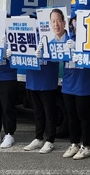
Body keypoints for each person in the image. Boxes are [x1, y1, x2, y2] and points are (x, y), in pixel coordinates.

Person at [23, 9, 63, 154]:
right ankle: (38, 137)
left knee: (49, 112)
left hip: (47, 80)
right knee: (37, 112)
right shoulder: (28, 37)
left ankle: (50, 140)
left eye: (37, 21)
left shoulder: (53, 36)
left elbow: (61, 56)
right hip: (33, 79)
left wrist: (46, 54)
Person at [60, 20, 90, 160]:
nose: (75, 25)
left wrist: (79, 51)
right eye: (73, 22)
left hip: (84, 84)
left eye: (78, 22)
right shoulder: (67, 39)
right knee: (71, 116)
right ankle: (74, 143)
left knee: (84, 116)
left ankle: (87, 145)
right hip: (68, 83)